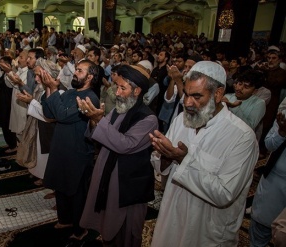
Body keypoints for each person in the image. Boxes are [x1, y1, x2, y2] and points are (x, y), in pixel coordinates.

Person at [149, 61, 259, 246]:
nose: (187, 103)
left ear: (218, 94)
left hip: (206, 230)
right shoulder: (181, 120)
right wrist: (165, 157)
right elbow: (160, 164)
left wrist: (183, 159)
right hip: (171, 217)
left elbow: (224, 194)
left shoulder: (242, 137)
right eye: (186, 94)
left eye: (197, 96)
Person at [78, 65, 158, 246]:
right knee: (108, 225)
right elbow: (100, 132)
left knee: (126, 232)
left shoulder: (148, 119)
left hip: (127, 184)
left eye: (123, 88)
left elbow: (125, 145)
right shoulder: (119, 109)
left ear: (137, 91)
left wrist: (98, 121)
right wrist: (93, 120)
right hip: (108, 172)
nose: (118, 93)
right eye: (117, 87)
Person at [42, 59, 100, 240]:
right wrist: (49, 88)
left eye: (80, 71)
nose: (75, 72)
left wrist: (54, 91)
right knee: (61, 186)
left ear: (90, 77)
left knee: (77, 192)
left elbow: (63, 115)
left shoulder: (91, 98)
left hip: (78, 152)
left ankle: (80, 229)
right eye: (76, 69)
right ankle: (65, 219)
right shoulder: (71, 93)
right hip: (61, 147)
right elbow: (49, 113)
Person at [250, 103, 286, 247]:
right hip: (274, 181)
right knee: (259, 231)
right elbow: (269, 144)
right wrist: (282, 133)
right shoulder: (283, 116)